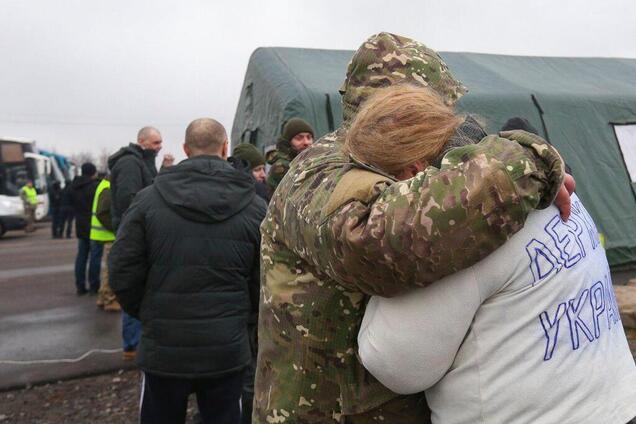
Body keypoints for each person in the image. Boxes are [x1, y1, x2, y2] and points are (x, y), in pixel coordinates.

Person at [253, 32, 573, 423]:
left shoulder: (402, 163)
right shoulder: (320, 171)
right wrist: (523, 160)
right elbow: (377, 244)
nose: (447, 119)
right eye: (437, 108)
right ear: (403, 109)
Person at [357, 85, 636, 424]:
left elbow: (395, 364)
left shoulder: (460, 228)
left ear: (411, 171)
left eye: (379, 180)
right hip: (615, 403)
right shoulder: (546, 180)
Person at [109, 118, 266, 424]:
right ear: (225, 148)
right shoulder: (254, 207)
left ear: (184, 149)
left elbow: (121, 269)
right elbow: (266, 278)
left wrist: (148, 312)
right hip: (226, 347)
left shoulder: (147, 200)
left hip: (164, 347)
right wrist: (242, 318)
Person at [108, 125, 172, 359]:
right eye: (156, 143)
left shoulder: (143, 162)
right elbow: (130, 199)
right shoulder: (129, 164)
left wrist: (163, 170)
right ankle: (132, 345)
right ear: (142, 141)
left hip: (140, 230)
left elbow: (151, 188)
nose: (160, 146)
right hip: (134, 233)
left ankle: (138, 340)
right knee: (135, 280)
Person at [90, 176, 120, 311]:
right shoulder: (108, 188)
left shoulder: (104, 185)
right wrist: (115, 227)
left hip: (102, 234)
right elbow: (102, 213)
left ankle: (103, 297)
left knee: (107, 268)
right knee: (110, 269)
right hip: (108, 235)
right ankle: (109, 300)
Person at [71, 163, 101, 295]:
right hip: (93, 225)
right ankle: (94, 285)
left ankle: (80, 285)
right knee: (95, 256)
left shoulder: (74, 187)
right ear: (93, 173)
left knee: (81, 256)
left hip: (80, 224)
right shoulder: (94, 187)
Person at [266, 117, 314, 192]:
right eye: (299, 138)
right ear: (288, 142)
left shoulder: (311, 160)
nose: (306, 142)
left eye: (309, 137)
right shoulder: (282, 166)